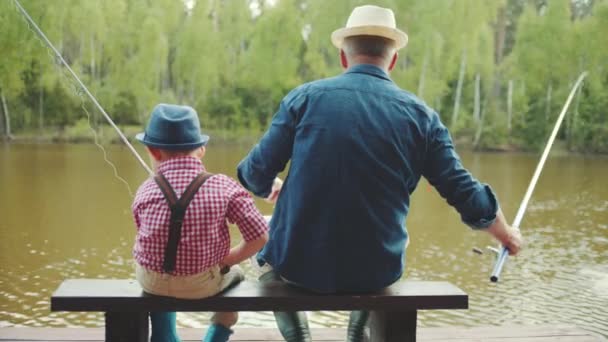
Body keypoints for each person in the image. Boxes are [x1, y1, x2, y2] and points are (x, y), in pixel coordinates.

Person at [236, 5, 522, 342]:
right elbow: (464, 193)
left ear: (344, 57)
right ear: (393, 60)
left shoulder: (304, 99)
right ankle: (358, 333)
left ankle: (299, 338)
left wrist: (272, 184)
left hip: (298, 269)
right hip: (375, 273)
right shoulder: (422, 118)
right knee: (391, 240)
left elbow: (252, 175)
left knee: (267, 246)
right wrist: (505, 234)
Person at [132, 104, 269, 342]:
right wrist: (230, 258)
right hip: (201, 285)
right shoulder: (223, 186)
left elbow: (143, 234)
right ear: (202, 150)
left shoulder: (146, 189)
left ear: (153, 152)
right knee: (236, 276)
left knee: (156, 271)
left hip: (151, 281)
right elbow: (260, 236)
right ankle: (217, 334)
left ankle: (165, 335)